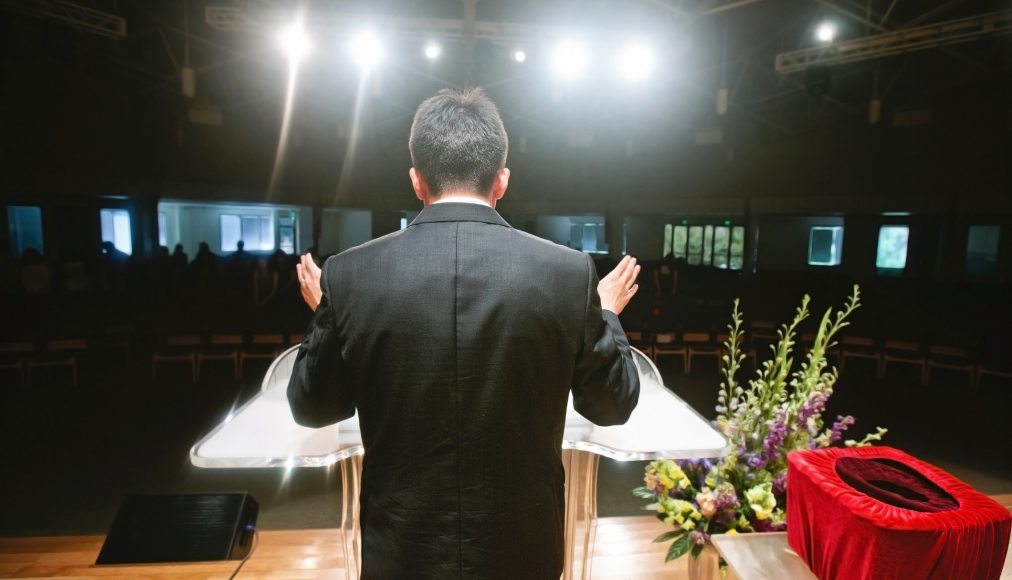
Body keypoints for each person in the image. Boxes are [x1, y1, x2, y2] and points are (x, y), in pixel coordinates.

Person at [287, 87, 641, 579]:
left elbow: (313, 405)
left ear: (416, 181)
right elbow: (611, 404)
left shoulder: (350, 275)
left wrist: (330, 311)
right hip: (523, 551)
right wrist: (606, 312)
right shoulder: (567, 273)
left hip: (401, 551)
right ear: (502, 180)